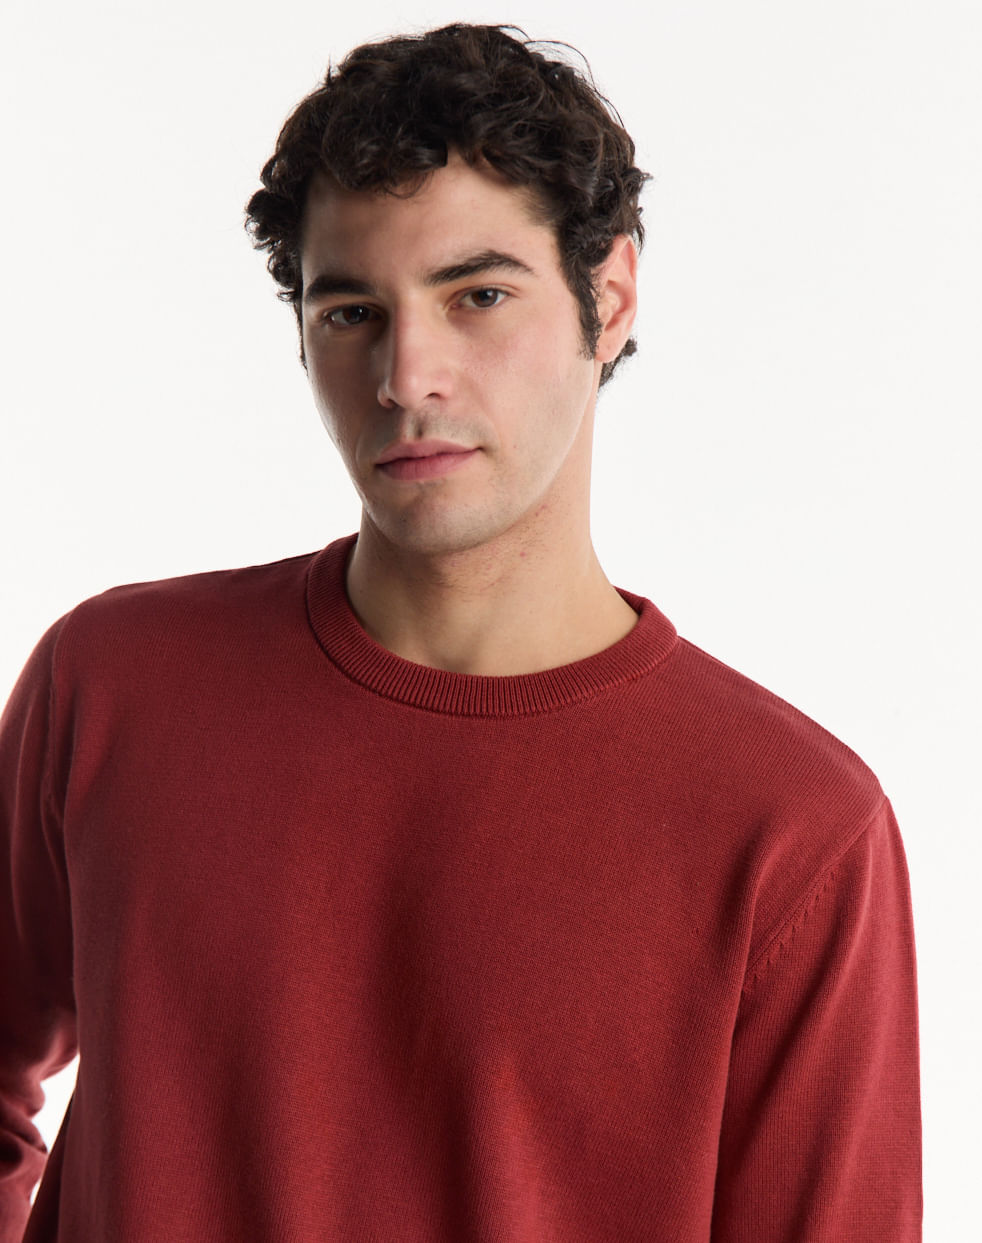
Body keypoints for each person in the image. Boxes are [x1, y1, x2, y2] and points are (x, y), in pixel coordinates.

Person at [0, 22, 921, 1242]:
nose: (406, 375)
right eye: (350, 312)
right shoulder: (112, 684)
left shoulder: (791, 830)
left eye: (477, 295)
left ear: (609, 297)